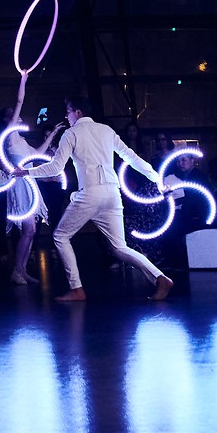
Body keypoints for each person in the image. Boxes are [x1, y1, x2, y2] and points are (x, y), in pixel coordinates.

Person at [33, 97, 174, 303]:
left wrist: (26, 172)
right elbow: (132, 157)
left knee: (61, 237)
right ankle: (160, 278)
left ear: (78, 113)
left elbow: (55, 168)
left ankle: (76, 289)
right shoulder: (106, 131)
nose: (66, 116)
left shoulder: (71, 133)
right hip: (112, 193)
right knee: (119, 247)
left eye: (68, 112)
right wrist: (158, 180)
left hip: (91, 193)